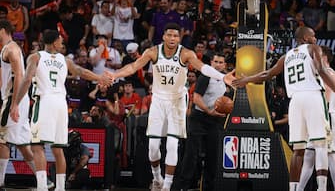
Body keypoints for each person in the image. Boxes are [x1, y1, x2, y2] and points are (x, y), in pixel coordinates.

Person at [109, 23, 235, 191]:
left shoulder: (186, 54)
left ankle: (167, 186)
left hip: (177, 101)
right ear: (164, 36)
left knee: (172, 144)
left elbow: (202, 67)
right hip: (159, 100)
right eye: (169, 35)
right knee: (153, 147)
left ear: (179, 38)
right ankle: (157, 177)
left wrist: (222, 77)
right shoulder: (153, 52)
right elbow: (133, 67)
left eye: (176, 36)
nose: (172, 39)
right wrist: (115, 75)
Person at [232, 26, 335, 191]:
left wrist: (248, 79)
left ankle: (293, 188)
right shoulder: (312, 48)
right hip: (312, 96)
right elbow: (321, 70)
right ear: (305, 38)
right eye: (313, 36)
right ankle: (322, 188)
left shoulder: (286, 56)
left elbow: (267, 74)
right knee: (321, 145)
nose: (315, 39)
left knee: (298, 150)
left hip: (294, 101)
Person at [11, 29, 112, 191]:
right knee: (58, 149)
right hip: (61, 105)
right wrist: (100, 78)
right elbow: (81, 72)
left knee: (37, 147)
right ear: (53, 42)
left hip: (45, 102)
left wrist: (16, 103)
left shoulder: (35, 57)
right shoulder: (64, 60)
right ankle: (60, 188)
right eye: (60, 41)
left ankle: (42, 187)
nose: (62, 43)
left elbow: (27, 79)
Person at [177, 52, 228, 191]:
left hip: (215, 120)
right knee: (191, 154)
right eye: (215, 62)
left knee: (213, 156)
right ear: (211, 63)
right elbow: (197, 98)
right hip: (198, 117)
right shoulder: (206, 76)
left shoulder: (225, 79)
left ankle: (208, 187)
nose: (217, 65)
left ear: (225, 65)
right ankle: (183, 186)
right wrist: (208, 110)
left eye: (220, 62)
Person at [0, 20, 35, 188]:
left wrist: (14, 104)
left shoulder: (11, 49)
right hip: (16, 98)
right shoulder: (8, 48)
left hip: (15, 98)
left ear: (3, 30)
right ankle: (44, 179)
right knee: (22, 145)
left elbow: (19, 76)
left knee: (2, 140)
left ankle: (0, 181)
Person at [296, 46, 335, 191]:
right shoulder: (321, 75)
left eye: (316, 56)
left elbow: (326, 98)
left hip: (327, 118)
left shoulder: (328, 73)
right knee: (309, 157)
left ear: (323, 57)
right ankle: (299, 189)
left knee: (330, 156)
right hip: (317, 118)